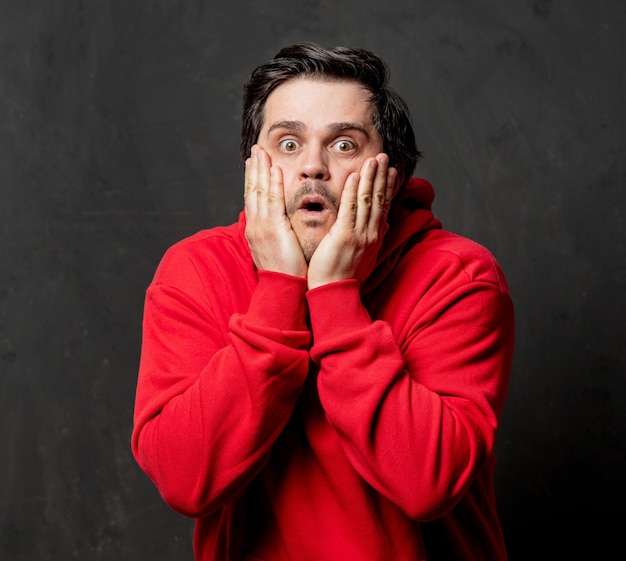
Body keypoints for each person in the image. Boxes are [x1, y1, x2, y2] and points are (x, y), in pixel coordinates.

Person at [131, 42, 515, 561]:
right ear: (254, 168)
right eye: (288, 144)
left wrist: (335, 297)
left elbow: (430, 481)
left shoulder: (459, 276)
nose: (312, 166)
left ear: (392, 174)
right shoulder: (194, 271)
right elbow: (185, 480)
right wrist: (279, 291)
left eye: (344, 145)